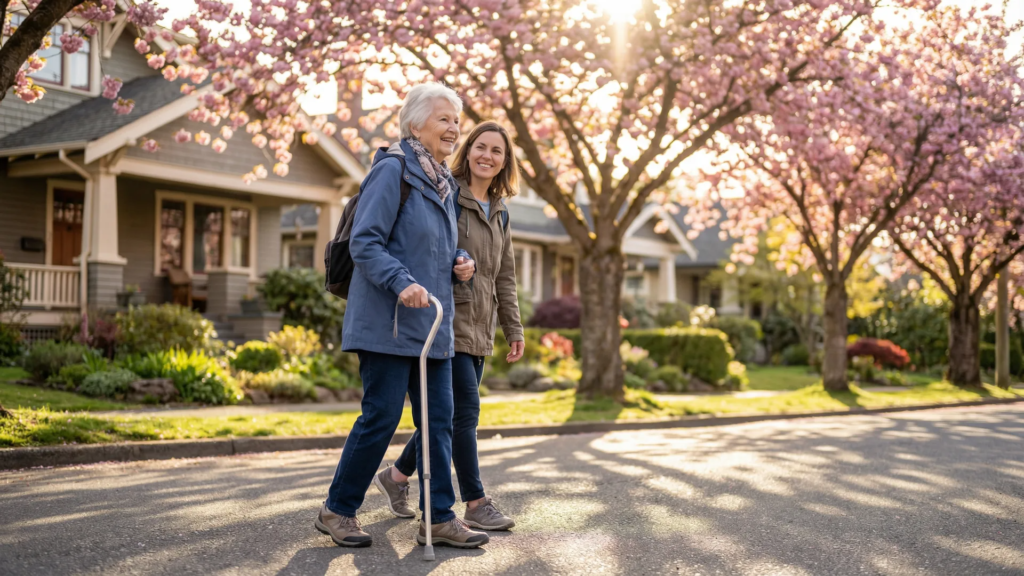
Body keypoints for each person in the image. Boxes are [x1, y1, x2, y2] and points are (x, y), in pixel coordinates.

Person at [315, 83, 490, 550]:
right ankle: (338, 509)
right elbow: (365, 242)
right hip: (387, 323)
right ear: (416, 125)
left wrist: (460, 262)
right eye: (444, 119)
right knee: (382, 417)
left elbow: (433, 245)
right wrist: (401, 281)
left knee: (439, 421)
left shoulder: (444, 183)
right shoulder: (393, 170)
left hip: (431, 324)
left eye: (457, 119)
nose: (455, 128)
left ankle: (439, 518)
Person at [372, 121, 526, 531]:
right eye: (480, 146)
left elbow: (504, 277)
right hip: (446, 318)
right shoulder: (448, 193)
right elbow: (429, 249)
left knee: (445, 416)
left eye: (497, 151)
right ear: (468, 150)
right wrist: (457, 264)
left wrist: (514, 327)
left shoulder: (501, 212)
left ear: (505, 161)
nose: (487, 156)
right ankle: (475, 503)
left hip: (480, 326)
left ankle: (396, 476)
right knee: (464, 416)